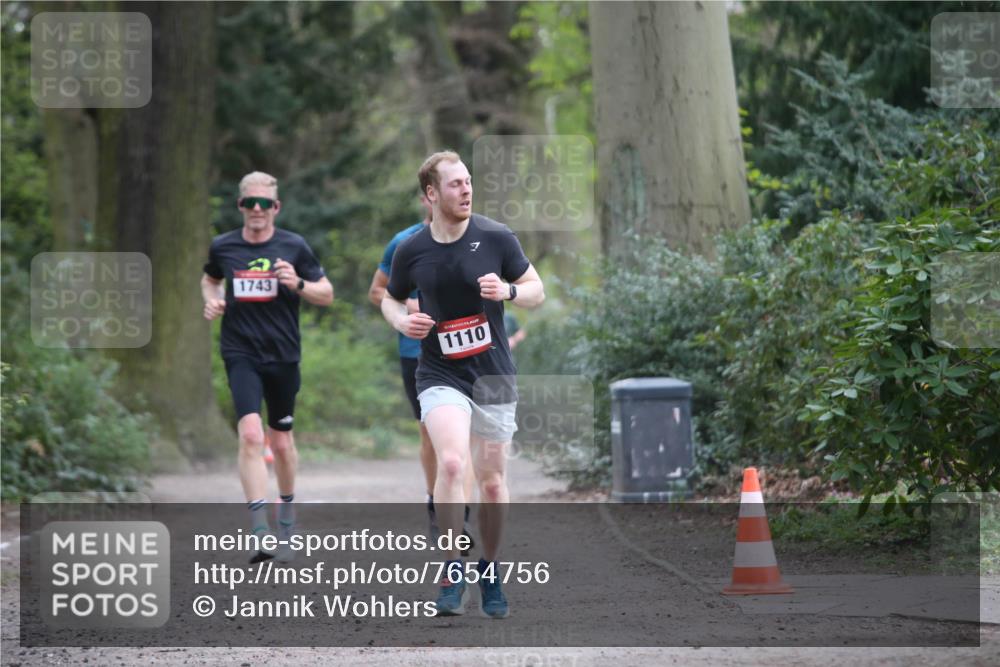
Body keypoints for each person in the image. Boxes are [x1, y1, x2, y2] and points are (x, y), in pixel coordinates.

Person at [381, 151, 545, 618]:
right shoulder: (411, 249)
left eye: (469, 181)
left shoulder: (495, 237)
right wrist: (402, 321)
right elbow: (390, 301)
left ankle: (488, 570)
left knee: (492, 483)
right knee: (452, 464)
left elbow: (537, 289)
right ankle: (453, 569)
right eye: (454, 184)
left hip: (492, 372)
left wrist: (510, 291)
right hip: (439, 372)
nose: (466, 190)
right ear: (431, 194)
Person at [202, 171, 334, 563]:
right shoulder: (223, 246)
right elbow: (210, 279)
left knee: (281, 442)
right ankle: (260, 530)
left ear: (275, 208)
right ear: (240, 206)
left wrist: (297, 284)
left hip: (283, 355)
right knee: (250, 435)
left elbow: (326, 294)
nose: (257, 210)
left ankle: (288, 517)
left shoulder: (294, 245)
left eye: (264, 204)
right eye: (249, 203)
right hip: (240, 350)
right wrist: (213, 300)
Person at [368, 195, 476, 549]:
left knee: (466, 438)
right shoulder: (404, 242)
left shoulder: (479, 237)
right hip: (418, 353)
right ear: (428, 197)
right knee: (430, 435)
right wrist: (409, 308)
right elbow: (378, 291)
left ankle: (461, 515)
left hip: (467, 349)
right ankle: (435, 502)